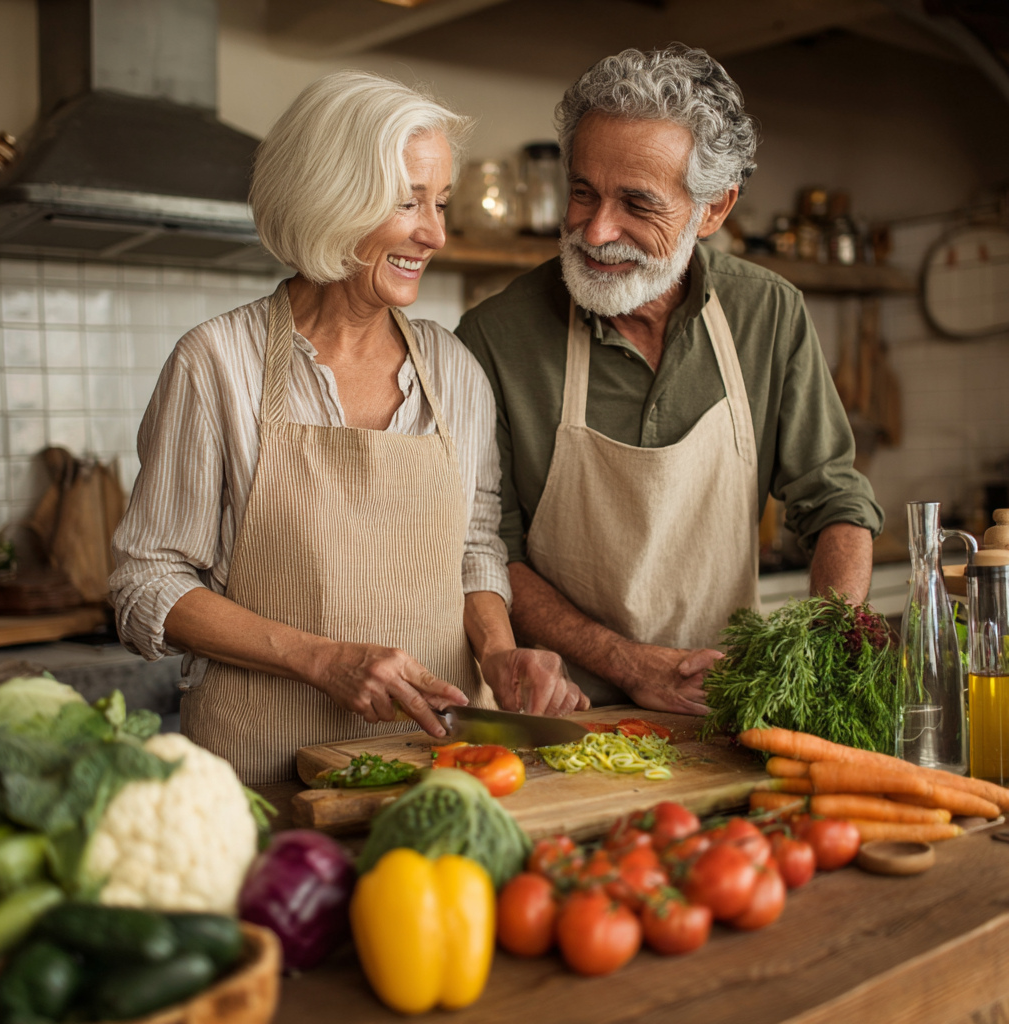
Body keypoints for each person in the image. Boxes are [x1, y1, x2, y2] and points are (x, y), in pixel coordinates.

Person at [110, 71, 587, 785]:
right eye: (408, 202)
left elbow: (474, 546)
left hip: (441, 768)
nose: (436, 232)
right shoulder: (216, 363)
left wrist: (498, 653)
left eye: (442, 203)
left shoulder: (452, 368)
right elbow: (145, 581)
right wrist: (320, 659)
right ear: (332, 197)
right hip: (263, 771)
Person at [456, 45, 884, 715]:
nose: (597, 231)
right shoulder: (493, 337)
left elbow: (833, 502)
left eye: (637, 203)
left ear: (713, 211)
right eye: (582, 192)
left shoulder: (765, 313)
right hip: (563, 721)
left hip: (729, 712)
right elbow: (488, 550)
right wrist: (630, 665)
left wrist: (827, 642)